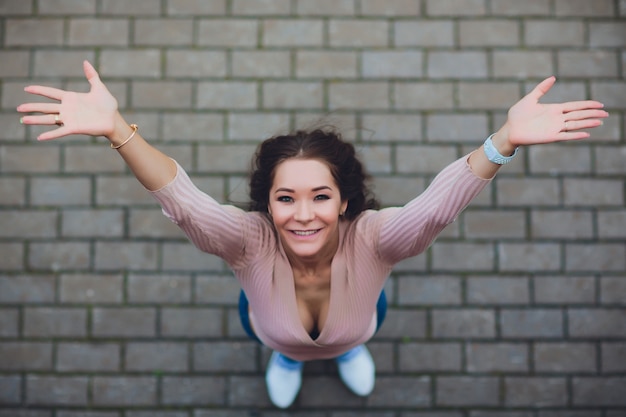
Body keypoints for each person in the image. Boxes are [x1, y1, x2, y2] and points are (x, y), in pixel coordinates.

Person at [17, 61, 608, 409]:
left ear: (344, 200)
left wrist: (501, 141)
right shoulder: (246, 240)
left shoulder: (375, 238)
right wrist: (116, 129)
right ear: (266, 206)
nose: (303, 214)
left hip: (359, 315)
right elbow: (183, 199)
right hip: (272, 329)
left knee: (351, 334)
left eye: (320, 196)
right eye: (285, 198)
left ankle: (348, 348)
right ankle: (289, 362)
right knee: (276, 340)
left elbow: (434, 209)